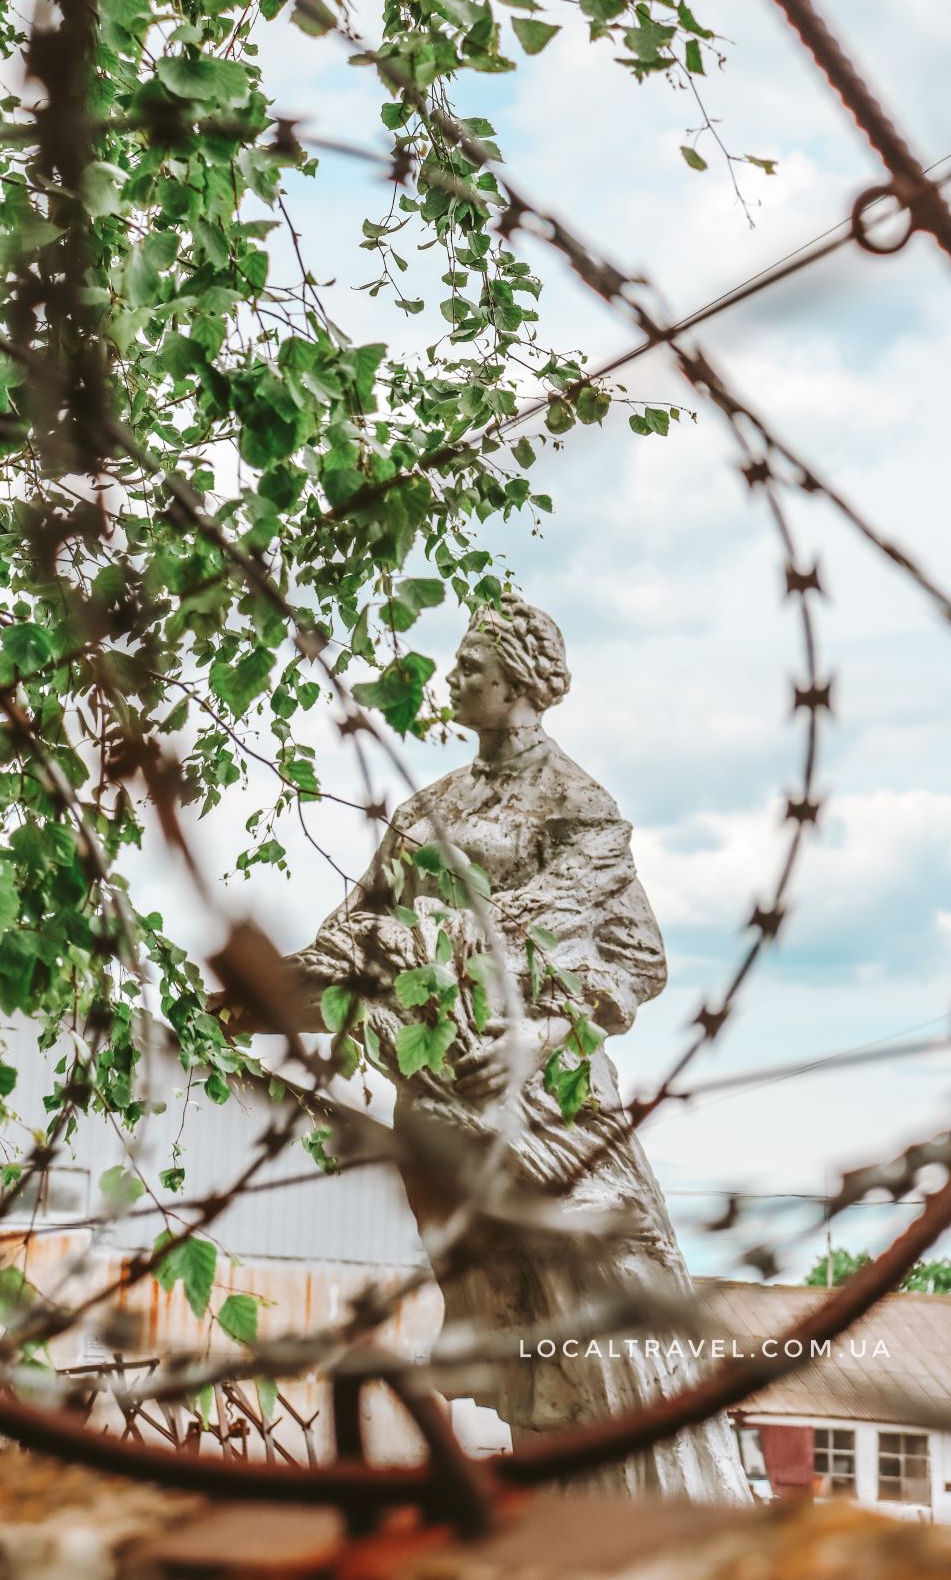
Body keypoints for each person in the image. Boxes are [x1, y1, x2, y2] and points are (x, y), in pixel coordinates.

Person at [223, 593, 749, 1500]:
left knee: (593, 1297)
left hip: (551, 1097)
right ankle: (554, 1490)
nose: (454, 681)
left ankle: (649, 1493)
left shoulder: (579, 807)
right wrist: (269, 993)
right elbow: (362, 930)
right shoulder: (430, 809)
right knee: (505, 1309)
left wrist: (541, 1038)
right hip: (439, 1097)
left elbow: (636, 960)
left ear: (519, 685)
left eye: (472, 668)